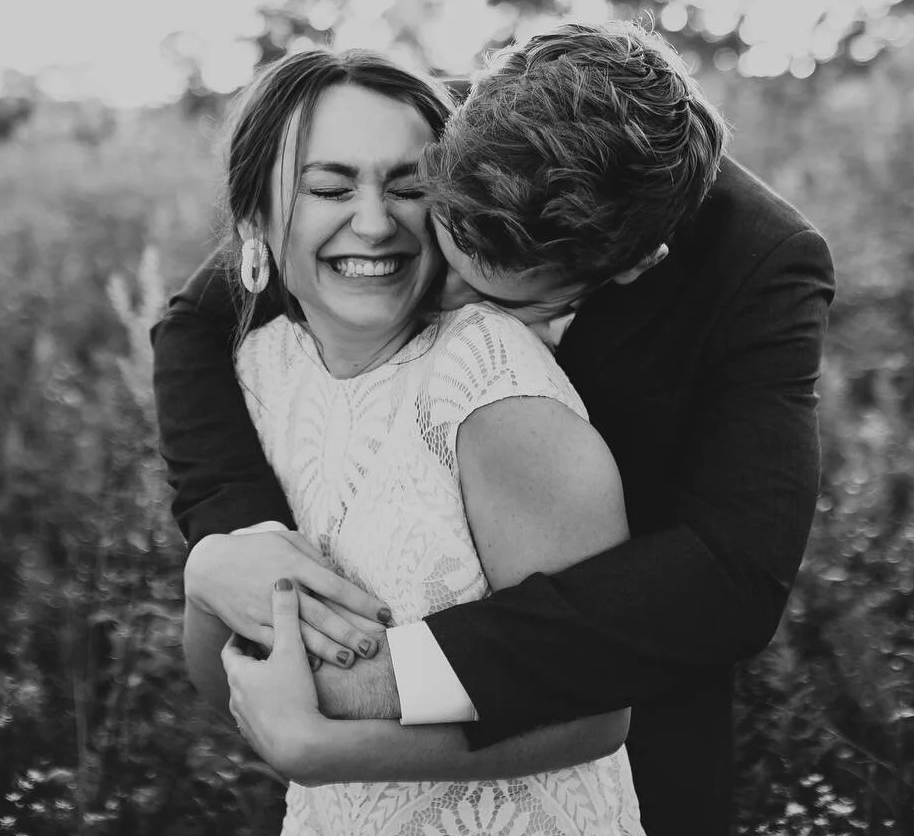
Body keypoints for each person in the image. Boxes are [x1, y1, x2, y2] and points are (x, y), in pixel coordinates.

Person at [157, 21, 835, 834]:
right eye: (449, 237)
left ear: (630, 267)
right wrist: (242, 544)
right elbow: (197, 320)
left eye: (500, 296)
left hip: (625, 696)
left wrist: (368, 687)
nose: (447, 298)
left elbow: (731, 577)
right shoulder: (407, 137)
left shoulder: (757, 264)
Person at [181, 46, 647, 833]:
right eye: (330, 188)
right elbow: (228, 686)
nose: (374, 223)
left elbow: (599, 709)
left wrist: (327, 751)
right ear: (254, 218)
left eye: (408, 188)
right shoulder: (257, 372)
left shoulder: (491, 382)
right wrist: (206, 574)